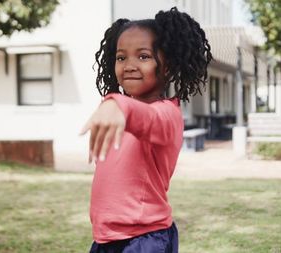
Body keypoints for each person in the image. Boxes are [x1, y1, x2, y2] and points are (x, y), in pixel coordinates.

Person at [80, 7, 212, 253]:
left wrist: (116, 104)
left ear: (168, 66)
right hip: (106, 239)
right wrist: (117, 105)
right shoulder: (120, 110)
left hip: (144, 239)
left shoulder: (167, 113)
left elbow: (147, 118)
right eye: (121, 57)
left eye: (143, 56)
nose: (129, 65)